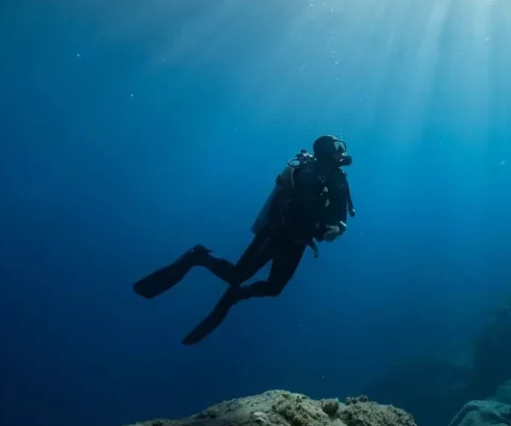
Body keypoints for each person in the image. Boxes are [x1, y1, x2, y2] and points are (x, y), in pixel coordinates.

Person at [133, 135, 356, 345]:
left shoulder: (338, 179)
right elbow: (305, 208)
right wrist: (324, 226)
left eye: (341, 147)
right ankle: (199, 256)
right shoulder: (308, 174)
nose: (342, 152)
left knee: (273, 288)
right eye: (338, 148)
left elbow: (341, 211)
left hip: (296, 242)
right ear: (326, 152)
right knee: (237, 275)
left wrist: (338, 226)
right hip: (275, 234)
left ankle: (237, 294)